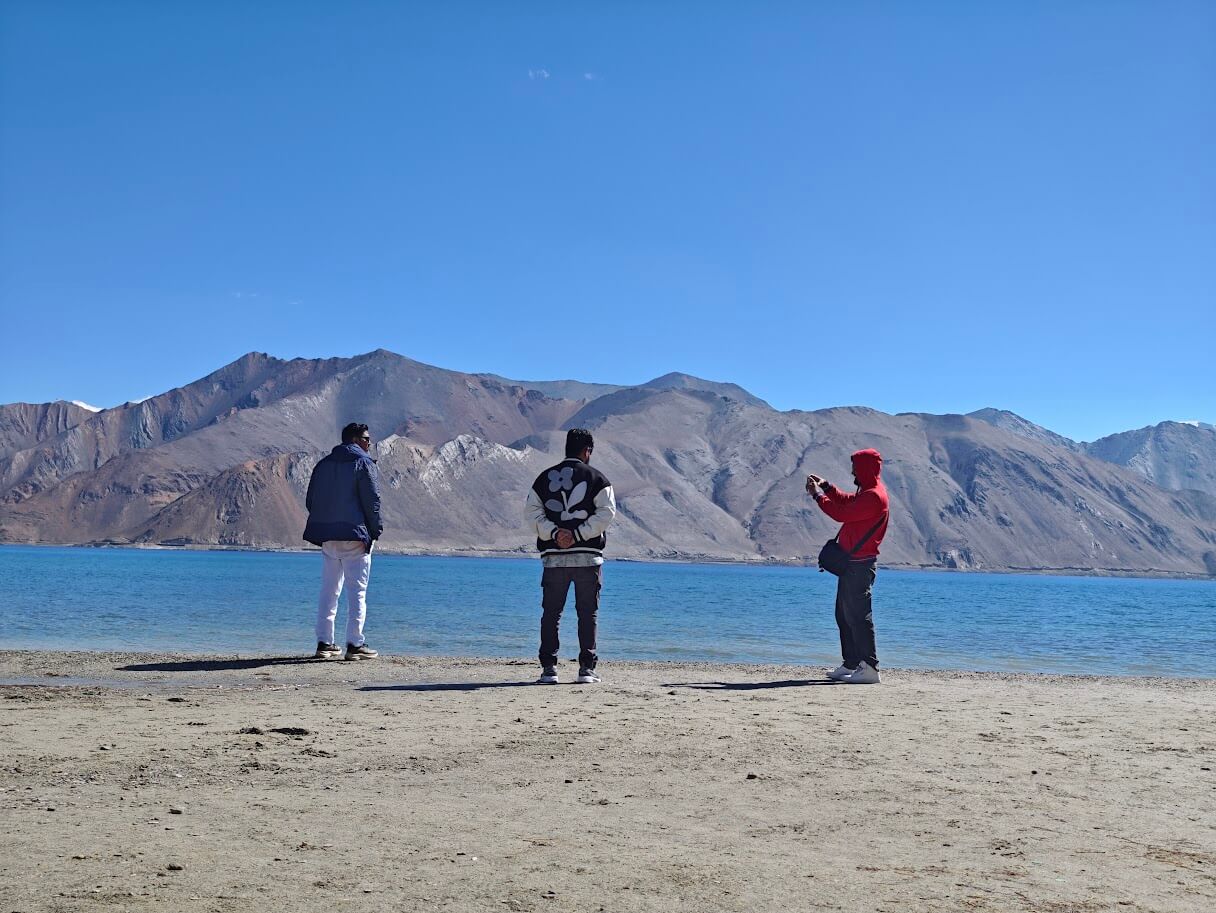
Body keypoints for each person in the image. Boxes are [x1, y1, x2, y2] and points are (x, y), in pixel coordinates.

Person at [525, 428, 617, 684]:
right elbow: (607, 514)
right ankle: (586, 669)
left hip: (554, 559)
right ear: (587, 451)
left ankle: (548, 669)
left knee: (551, 614)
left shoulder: (544, 479)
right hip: (588, 559)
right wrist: (578, 535)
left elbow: (532, 514)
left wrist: (555, 534)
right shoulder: (599, 479)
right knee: (588, 614)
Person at [806, 448, 889, 684]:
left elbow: (840, 513)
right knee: (843, 615)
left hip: (860, 565)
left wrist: (817, 496)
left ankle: (870, 667)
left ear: (864, 469)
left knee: (859, 616)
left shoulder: (873, 496)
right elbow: (846, 501)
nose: (852, 471)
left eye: (855, 467)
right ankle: (852, 662)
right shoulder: (867, 492)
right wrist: (828, 487)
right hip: (852, 563)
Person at [303, 422, 383, 661]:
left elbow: (310, 500)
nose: (369, 443)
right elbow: (373, 501)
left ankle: (325, 643)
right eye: (367, 439)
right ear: (356, 440)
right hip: (355, 537)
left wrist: (326, 521)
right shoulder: (364, 464)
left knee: (329, 590)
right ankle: (355, 644)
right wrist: (375, 530)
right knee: (356, 591)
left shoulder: (323, 465)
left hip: (328, 537)